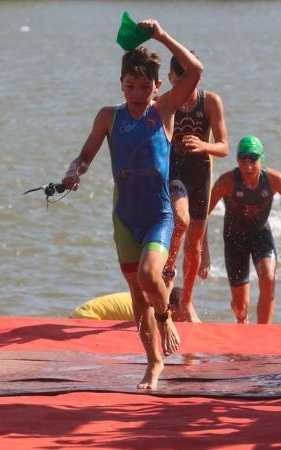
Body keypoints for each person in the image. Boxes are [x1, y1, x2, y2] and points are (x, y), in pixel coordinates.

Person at [61, 18, 202, 389]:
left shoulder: (164, 110)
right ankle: (152, 363)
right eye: (129, 86)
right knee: (137, 293)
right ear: (120, 85)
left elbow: (196, 70)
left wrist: (161, 36)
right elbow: (84, 157)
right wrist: (73, 173)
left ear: (157, 86)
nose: (136, 93)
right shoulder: (109, 117)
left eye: (144, 86)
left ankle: (167, 314)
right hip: (125, 216)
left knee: (148, 276)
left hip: (158, 213)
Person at [207, 135, 281, 324]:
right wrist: (202, 249)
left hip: (260, 234)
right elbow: (202, 215)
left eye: (253, 161)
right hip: (234, 239)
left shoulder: (274, 180)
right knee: (241, 306)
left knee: (268, 277)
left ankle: (263, 332)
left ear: (261, 159)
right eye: (243, 162)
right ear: (237, 161)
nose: (248, 167)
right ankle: (242, 318)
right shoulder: (227, 182)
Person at [161, 52, 229, 323]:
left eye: (191, 82)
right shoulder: (164, 102)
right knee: (180, 219)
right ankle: (168, 271)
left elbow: (224, 146)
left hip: (200, 174)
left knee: (195, 247)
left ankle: (186, 301)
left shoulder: (210, 102)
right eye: (180, 82)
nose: (186, 89)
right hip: (173, 172)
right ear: (170, 80)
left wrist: (204, 145)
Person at [70, 287, 183, 321]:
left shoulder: (148, 298)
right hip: (88, 317)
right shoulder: (155, 310)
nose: (184, 317)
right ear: (173, 308)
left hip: (83, 312)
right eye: (183, 311)